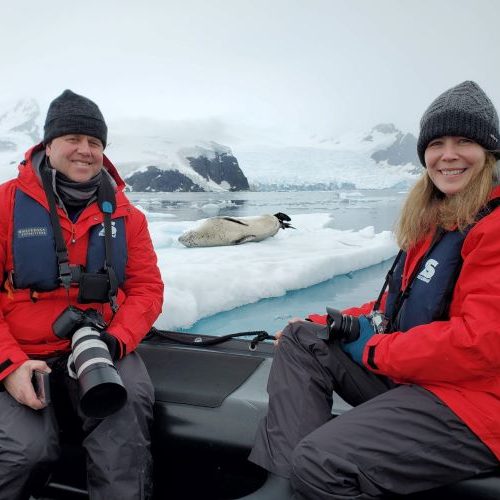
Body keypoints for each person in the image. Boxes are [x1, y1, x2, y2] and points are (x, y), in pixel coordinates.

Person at [248, 80, 500, 499]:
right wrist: (327, 323)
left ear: (490, 152)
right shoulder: (441, 219)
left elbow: (481, 343)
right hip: (426, 379)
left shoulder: (491, 228)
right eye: (437, 143)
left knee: (323, 462)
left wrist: (372, 349)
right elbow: (394, 305)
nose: (448, 154)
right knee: (302, 339)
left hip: (477, 405)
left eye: (465, 141)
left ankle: (307, 475)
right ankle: (287, 487)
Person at [0, 90, 164, 500]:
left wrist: (115, 339)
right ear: (48, 144)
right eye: (73, 138)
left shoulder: (127, 215)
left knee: (124, 427)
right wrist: (10, 366)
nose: (84, 151)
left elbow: (146, 289)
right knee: (25, 451)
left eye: (94, 142)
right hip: (20, 350)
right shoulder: (4, 206)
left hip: (97, 344)